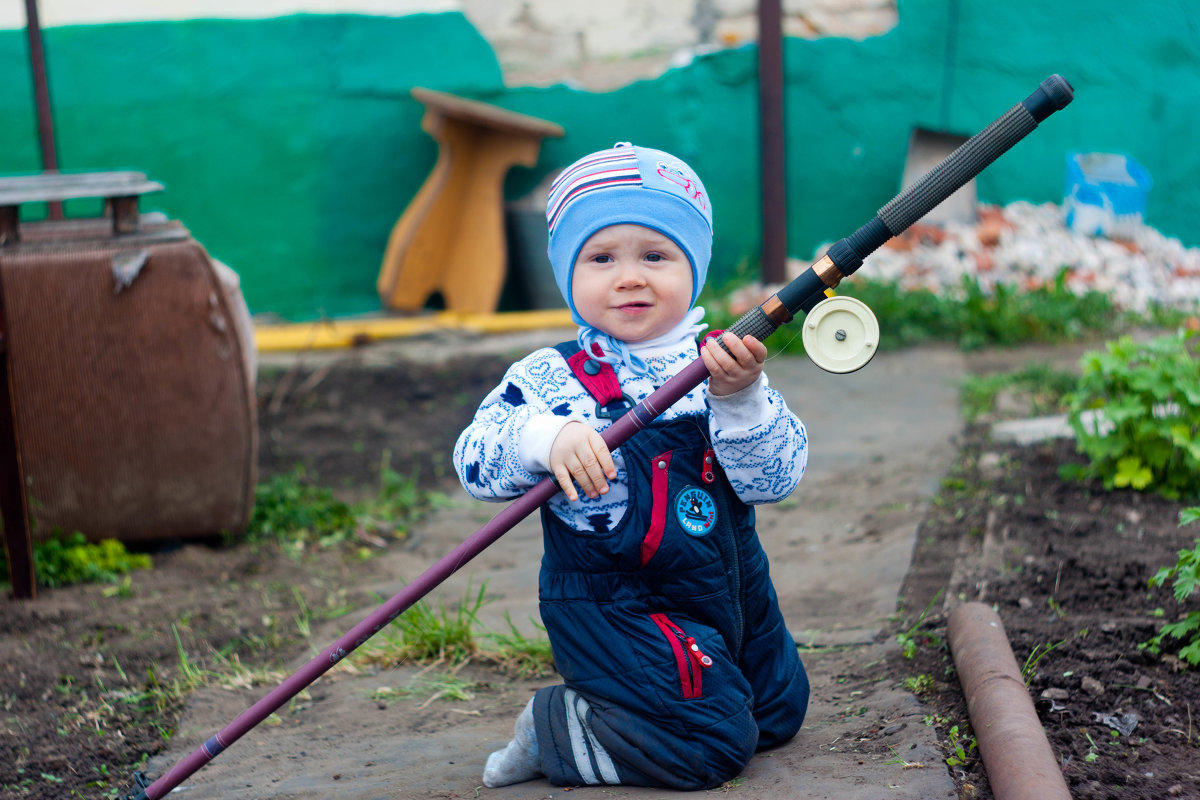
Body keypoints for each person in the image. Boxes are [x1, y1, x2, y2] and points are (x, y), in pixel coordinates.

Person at [453, 142, 809, 790]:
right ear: (567, 271)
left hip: (731, 587)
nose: (629, 277)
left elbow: (774, 481)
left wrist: (743, 401)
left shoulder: (723, 364)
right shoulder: (551, 379)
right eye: (601, 258)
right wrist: (543, 437)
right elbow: (474, 463)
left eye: (655, 255)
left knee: (780, 711)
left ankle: (671, 698)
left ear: (692, 265)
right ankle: (560, 725)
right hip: (619, 605)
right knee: (714, 745)